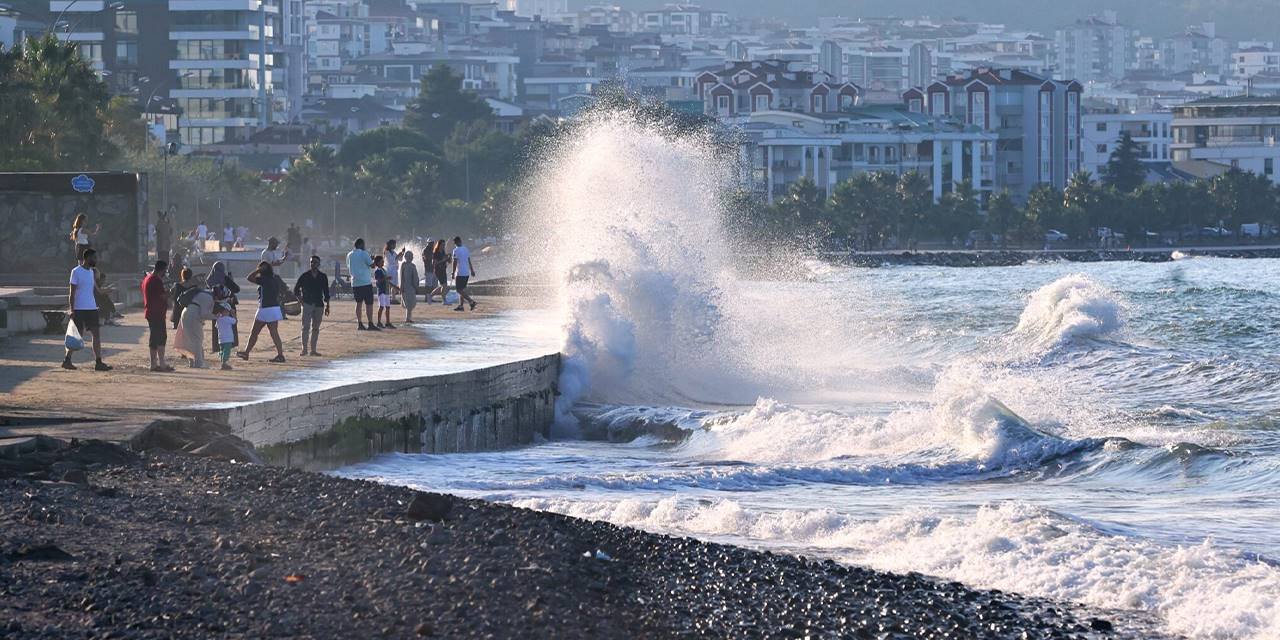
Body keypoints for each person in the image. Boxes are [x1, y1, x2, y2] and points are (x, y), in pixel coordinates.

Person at [63, 249, 111, 371]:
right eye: (94, 257)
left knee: (96, 335)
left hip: (92, 308)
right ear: (87, 258)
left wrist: (107, 290)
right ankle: (67, 360)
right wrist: (72, 310)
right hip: (79, 309)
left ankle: (98, 362)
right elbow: (72, 293)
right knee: (77, 336)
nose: (96, 260)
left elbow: (97, 291)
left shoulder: (91, 272)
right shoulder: (76, 272)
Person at [237, 261, 286, 363]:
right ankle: (280, 355)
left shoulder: (264, 279)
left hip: (265, 308)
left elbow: (249, 277)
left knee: (254, 332)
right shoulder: (274, 279)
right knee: (274, 333)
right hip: (274, 308)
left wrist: (258, 270)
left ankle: (246, 352)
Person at [173, 274, 214, 368]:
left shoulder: (202, 294)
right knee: (197, 340)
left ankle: (192, 362)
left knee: (189, 340)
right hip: (192, 316)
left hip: (185, 313)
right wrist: (216, 317)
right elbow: (203, 314)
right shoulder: (209, 298)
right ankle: (199, 363)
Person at [293, 255, 331, 356]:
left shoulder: (323, 276)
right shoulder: (304, 276)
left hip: (319, 304)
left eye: (315, 262)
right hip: (307, 303)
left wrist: (328, 306)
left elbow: (326, 292)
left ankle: (313, 350)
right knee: (305, 327)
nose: (313, 264)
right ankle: (304, 349)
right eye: (311, 262)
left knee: (316, 328)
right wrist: (301, 301)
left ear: (319, 264)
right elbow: (296, 290)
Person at [141, 260, 174, 372]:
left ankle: (154, 364)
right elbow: (162, 296)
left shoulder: (147, 278)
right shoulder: (156, 280)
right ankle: (160, 364)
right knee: (160, 338)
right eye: (165, 270)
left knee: (154, 337)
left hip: (151, 312)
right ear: (162, 269)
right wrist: (171, 292)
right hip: (156, 313)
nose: (166, 272)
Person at [207, 261, 240, 353]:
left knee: (217, 327)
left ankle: (217, 347)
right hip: (227, 305)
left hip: (216, 306)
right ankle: (230, 345)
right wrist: (230, 280)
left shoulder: (209, 279)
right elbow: (237, 289)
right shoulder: (225, 278)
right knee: (230, 325)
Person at [346, 238, 377, 331]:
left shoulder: (349, 255)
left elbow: (349, 266)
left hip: (355, 282)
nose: (365, 246)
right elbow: (372, 265)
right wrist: (373, 259)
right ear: (361, 245)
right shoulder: (364, 253)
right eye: (364, 245)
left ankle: (359, 323)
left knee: (358, 303)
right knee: (369, 304)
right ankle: (370, 323)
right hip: (365, 282)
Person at [451, 236, 477, 312]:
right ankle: (461, 306)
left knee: (459, 290)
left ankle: (471, 301)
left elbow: (454, 262)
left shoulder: (455, 250)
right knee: (462, 290)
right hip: (466, 273)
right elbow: (469, 261)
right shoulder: (466, 249)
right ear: (460, 241)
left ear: (455, 243)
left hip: (460, 273)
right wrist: (472, 270)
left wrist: (453, 272)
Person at [373, 255, 395, 329]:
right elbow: (378, 281)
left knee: (388, 307)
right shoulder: (377, 271)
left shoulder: (383, 270)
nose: (383, 262)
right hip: (381, 291)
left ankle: (387, 322)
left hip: (386, 291)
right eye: (382, 261)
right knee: (381, 307)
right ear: (378, 262)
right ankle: (379, 322)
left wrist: (395, 286)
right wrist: (386, 278)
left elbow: (386, 280)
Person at [215, 304, 237, 370]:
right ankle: (224, 363)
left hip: (221, 339)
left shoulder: (218, 319)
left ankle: (222, 362)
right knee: (227, 351)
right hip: (228, 338)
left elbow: (216, 326)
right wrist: (233, 314)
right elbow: (235, 321)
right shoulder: (228, 319)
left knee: (222, 350)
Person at [399, 250, 419, 323]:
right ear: (405, 257)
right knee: (408, 304)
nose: (410, 258)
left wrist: (416, 286)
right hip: (406, 287)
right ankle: (408, 318)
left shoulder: (413, 265)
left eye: (411, 256)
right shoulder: (403, 265)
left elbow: (415, 277)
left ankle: (408, 318)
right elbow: (401, 277)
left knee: (411, 303)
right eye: (409, 256)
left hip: (411, 287)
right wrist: (401, 287)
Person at [428, 239, 450, 304]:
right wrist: (444, 260)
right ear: (439, 245)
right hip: (438, 270)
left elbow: (446, 260)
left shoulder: (443, 251)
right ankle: (444, 300)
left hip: (443, 269)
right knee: (444, 285)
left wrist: (448, 258)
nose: (443, 246)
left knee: (443, 286)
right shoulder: (436, 252)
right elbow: (434, 263)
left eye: (444, 244)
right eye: (442, 245)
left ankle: (430, 296)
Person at [383, 240, 403, 304]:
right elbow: (390, 261)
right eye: (394, 244)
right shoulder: (386, 252)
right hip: (389, 270)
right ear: (390, 245)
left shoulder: (394, 252)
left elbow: (400, 259)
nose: (395, 246)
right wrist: (398, 256)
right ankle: (391, 298)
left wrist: (402, 254)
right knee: (391, 285)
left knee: (394, 285)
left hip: (394, 270)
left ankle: (393, 298)